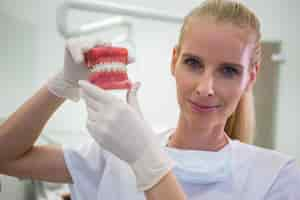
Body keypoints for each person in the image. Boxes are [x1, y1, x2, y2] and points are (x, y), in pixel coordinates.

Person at [0, 0, 300, 199]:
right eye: (193, 63)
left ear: (251, 76)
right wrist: (61, 85)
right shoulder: (120, 149)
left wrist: (147, 161)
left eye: (229, 70)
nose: (205, 87)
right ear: (174, 61)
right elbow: (6, 157)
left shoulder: (276, 178)